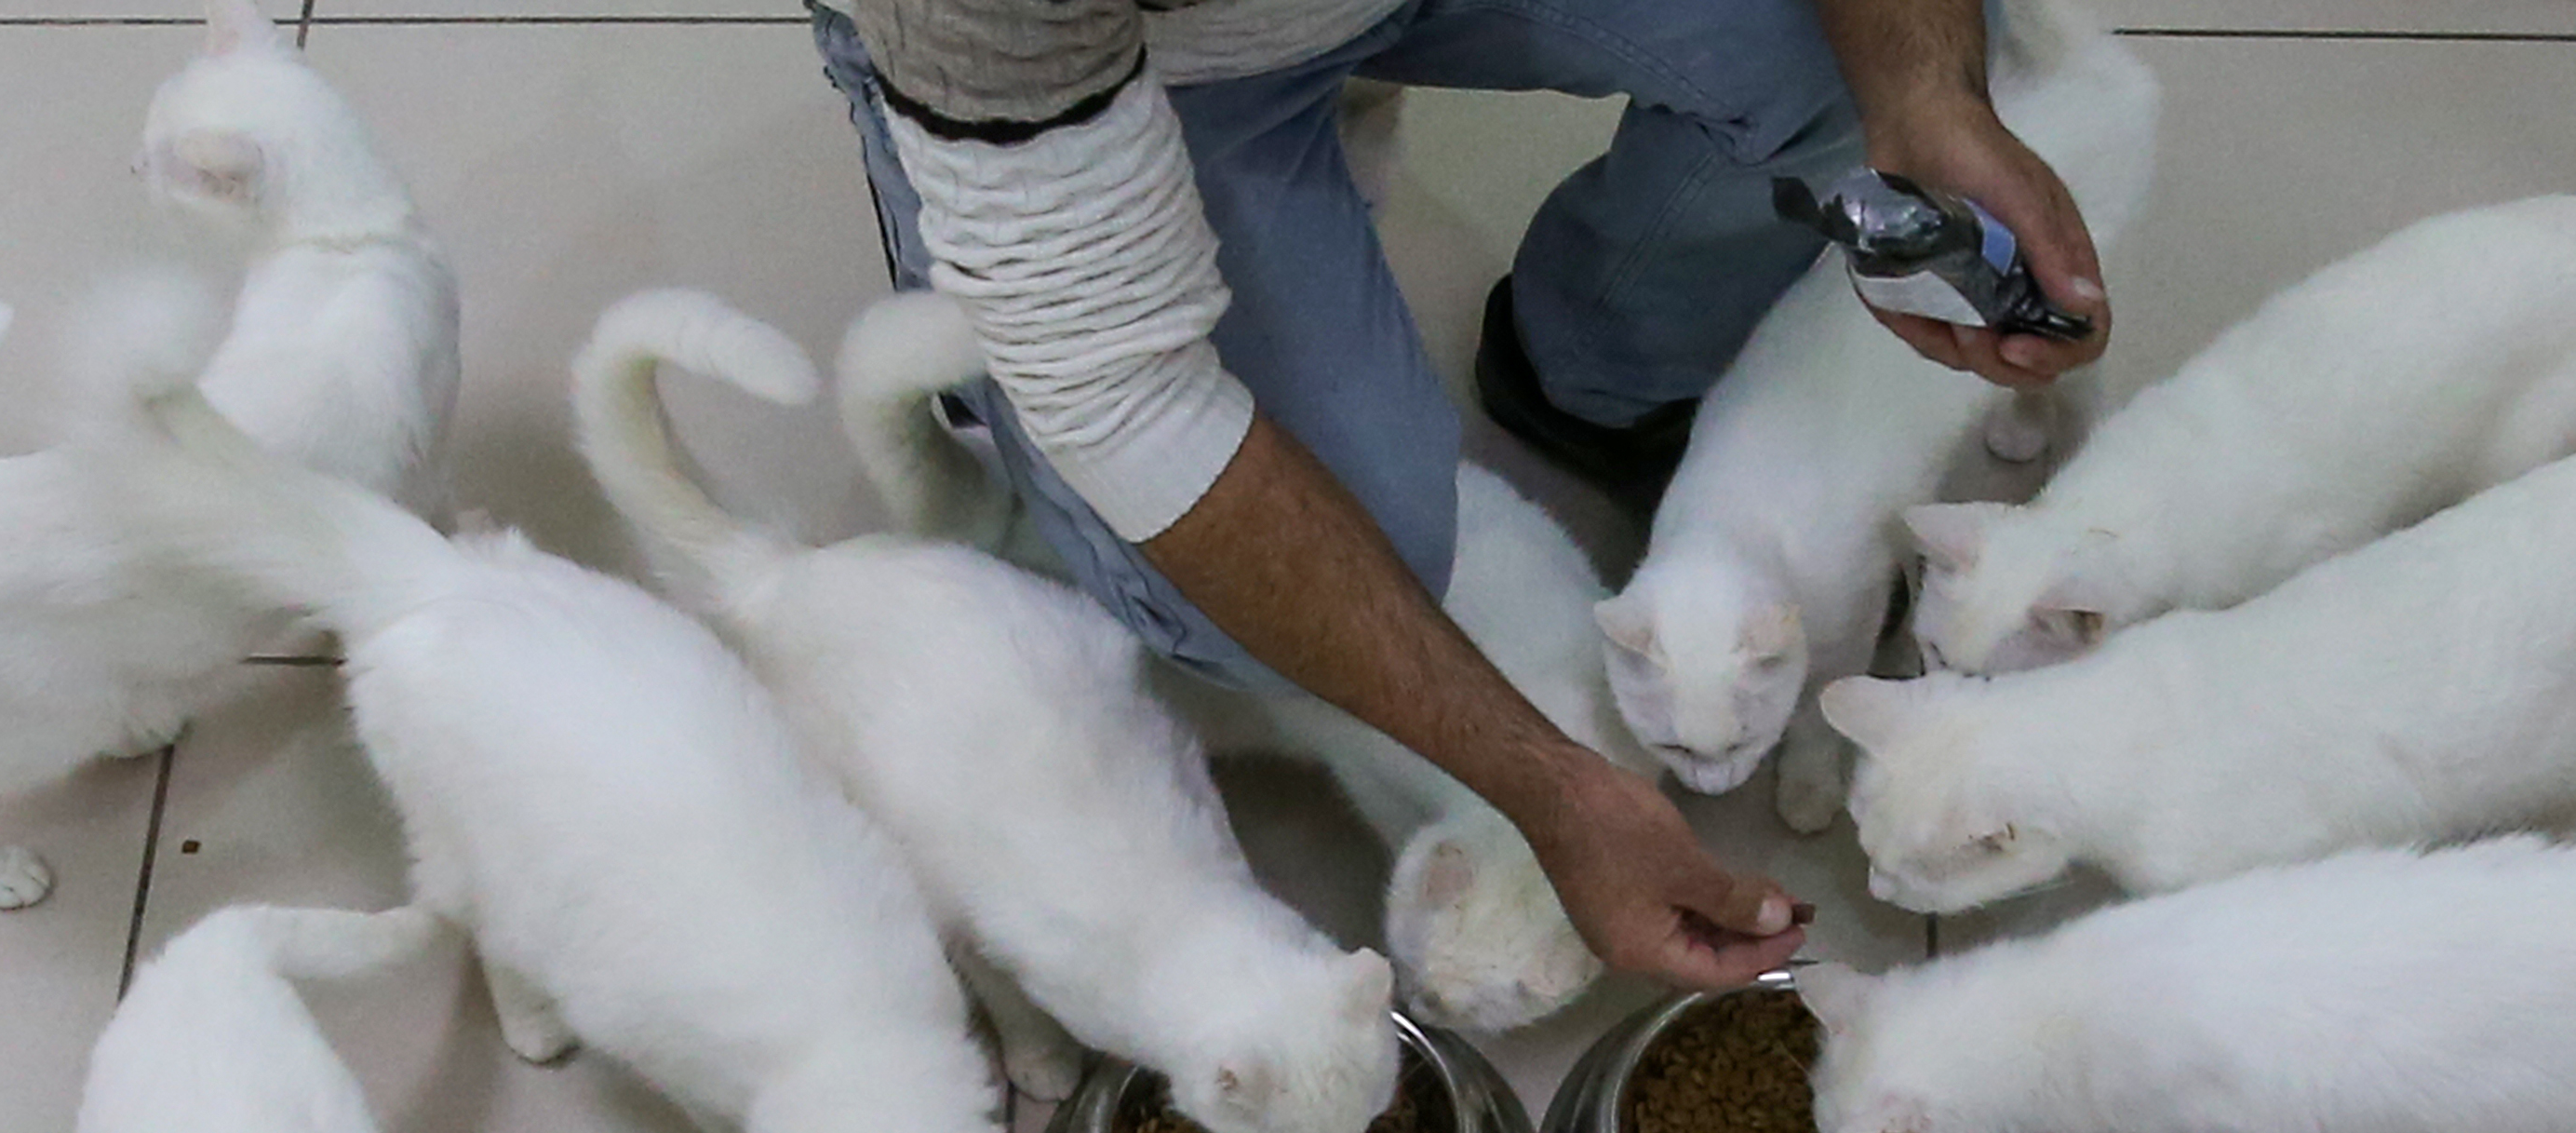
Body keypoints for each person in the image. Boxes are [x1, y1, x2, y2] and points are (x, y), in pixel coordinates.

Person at [812, 0, 2106, 996]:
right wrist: (1545, 785)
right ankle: (996, 365)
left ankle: (1593, 366)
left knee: (1863, 54)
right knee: (1253, 592)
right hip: (1127, 64)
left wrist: (1925, 88)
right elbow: (1127, 400)